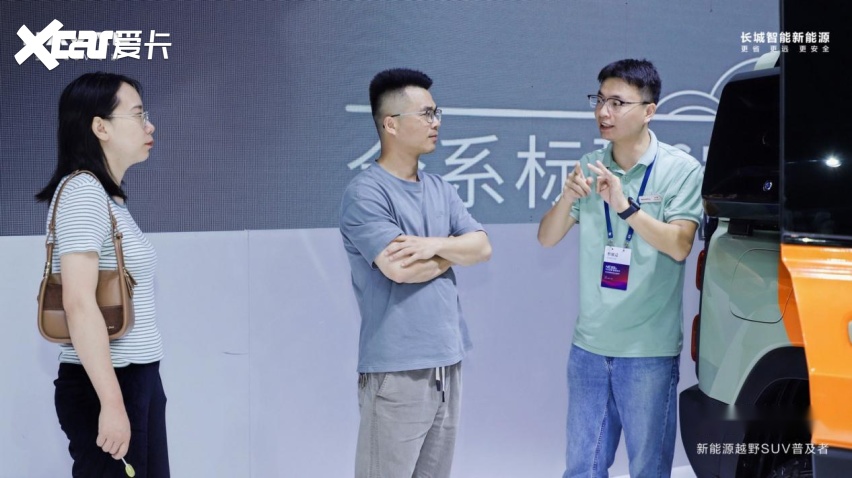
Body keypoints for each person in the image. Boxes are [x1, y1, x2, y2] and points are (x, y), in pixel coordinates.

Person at [538, 59, 703, 478]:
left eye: (617, 102)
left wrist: (626, 207)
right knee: (583, 466)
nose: (603, 112)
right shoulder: (591, 164)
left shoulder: (680, 170)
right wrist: (566, 197)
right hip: (589, 346)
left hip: (648, 350)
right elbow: (547, 238)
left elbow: (680, 244)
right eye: (599, 100)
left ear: (649, 110)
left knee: (649, 468)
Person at [339, 68, 492, 478]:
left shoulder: (441, 187)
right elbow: (401, 270)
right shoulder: (365, 193)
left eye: (436, 112)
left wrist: (433, 245)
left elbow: (482, 247)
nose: (435, 122)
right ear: (391, 124)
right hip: (397, 369)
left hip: (447, 362)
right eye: (426, 114)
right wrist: (452, 250)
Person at [36, 72, 169, 477]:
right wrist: (112, 403)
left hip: (136, 378)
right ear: (100, 127)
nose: (150, 126)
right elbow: (78, 304)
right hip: (108, 386)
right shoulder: (83, 194)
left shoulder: (107, 198)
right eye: (138, 115)